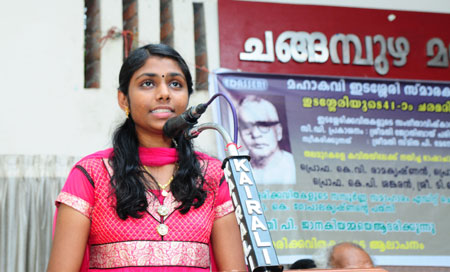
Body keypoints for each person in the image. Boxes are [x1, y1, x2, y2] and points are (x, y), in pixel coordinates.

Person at [47, 44, 246, 272]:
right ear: (123, 100)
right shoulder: (91, 174)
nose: (164, 93)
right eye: (148, 83)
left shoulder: (211, 175)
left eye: (175, 84)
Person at [238, 95, 296, 185]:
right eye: (246, 126)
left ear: (278, 131)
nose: (255, 134)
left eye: (264, 125)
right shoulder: (233, 165)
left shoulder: (295, 166)